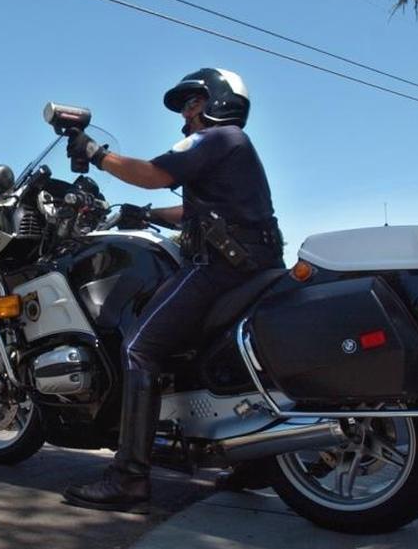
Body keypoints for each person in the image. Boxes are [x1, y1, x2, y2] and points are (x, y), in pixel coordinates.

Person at [62, 67, 285, 513]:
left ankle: (128, 478)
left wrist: (96, 153)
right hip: (252, 263)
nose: (186, 113)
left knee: (139, 348)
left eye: (193, 102)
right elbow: (194, 210)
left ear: (220, 101)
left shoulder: (217, 138)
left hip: (221, 266)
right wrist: (144, 214)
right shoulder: (232, 151)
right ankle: (256, 460)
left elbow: (152, 172)